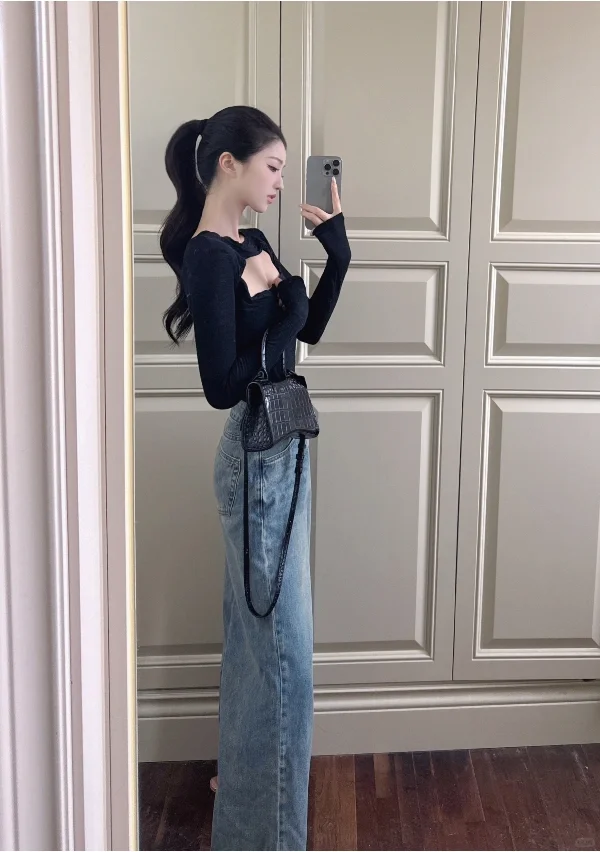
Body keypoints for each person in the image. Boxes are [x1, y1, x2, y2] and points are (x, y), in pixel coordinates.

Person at [159, 105, 351, 850]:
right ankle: (267, 836)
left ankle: (244, 808)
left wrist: (337, 257)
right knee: (282, 659)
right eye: (272, 167)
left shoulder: (254, 241)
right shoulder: (209, 256)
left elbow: (308, 329)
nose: (279, 182)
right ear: (228, 164)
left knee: (259, 651)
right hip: (256, 457)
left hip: (284, 447)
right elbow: (221, 384)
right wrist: (283, 312)